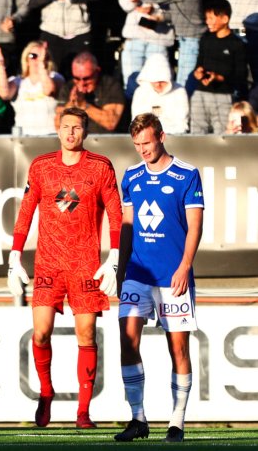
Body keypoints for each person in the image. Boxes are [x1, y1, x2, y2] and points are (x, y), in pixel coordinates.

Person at [7, 107, 123, 429]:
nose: (71, 132)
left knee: (86, 335)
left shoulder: (100, 167)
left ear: (85, 132)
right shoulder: (41, 166)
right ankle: (46, 393)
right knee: (41, 333)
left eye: (77, 127)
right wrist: (15, 255)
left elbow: (115, 212)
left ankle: (83, 411)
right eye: (66, 126)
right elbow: (26, 210)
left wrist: (113, 257)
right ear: (58, 130)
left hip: (85, 263)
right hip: (48, 261)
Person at [115, 113, 204, 443]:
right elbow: (127, 226)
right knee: (127, 338)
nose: (142, 150)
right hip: (138, 273)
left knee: (178, 349)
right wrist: (120, 269)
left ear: (161, 137)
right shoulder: (132, 175)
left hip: (173, 276)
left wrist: (184, 266)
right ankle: (138, 418)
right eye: (136, 144)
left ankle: (177, 421)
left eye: (147, 142)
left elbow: (195, 226)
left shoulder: (186, 174)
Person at [129, 0, 207, 90]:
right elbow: (181, 11)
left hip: (191, 40)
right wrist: (159, 17)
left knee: (185, 80)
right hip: (187, 39)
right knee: (183, 79)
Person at [117, 0, 175, 95]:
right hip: (134, 39)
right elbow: (123, 2)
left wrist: (156, 14)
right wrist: (132, 1)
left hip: (158, 41)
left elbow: (178, 12)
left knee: (158, 89)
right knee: (131, 86)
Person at [190, 0, 248, 133]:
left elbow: (241, 76)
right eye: (206, 18)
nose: (208, 21)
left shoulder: (237, 44)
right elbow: (198, 65)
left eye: (211, 18)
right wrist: (198, 73)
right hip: (200, 94)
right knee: (197, 133)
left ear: (225, 19)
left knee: (221, 135)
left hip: (223, 96)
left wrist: (219, 78)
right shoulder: (205, 39)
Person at [0, 41, 65, 135]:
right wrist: (0, 66)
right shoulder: (17, 81)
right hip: (23, 137)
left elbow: (49, 90)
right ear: (26, 59)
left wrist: (41, 66)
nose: (38, 60)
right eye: (33, 56)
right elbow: (4, 93)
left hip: (50, 135)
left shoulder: (55, 77)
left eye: (43, 57)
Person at [54, 52, 126, 133]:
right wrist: (71, 104)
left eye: (86, 78)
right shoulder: (68, 88)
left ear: (97, 71)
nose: (81, 83)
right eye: (77, 78)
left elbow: (111, 123)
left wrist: (83, 105)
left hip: (106, 141)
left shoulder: (111, 85)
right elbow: (57, 125)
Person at [130, 54, 190, 133]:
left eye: (162, 81)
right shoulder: (140, 92)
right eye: (155, 81)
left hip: (174, 137)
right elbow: (138, 123)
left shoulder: (179, 91)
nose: (158, 85)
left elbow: (182, 124)